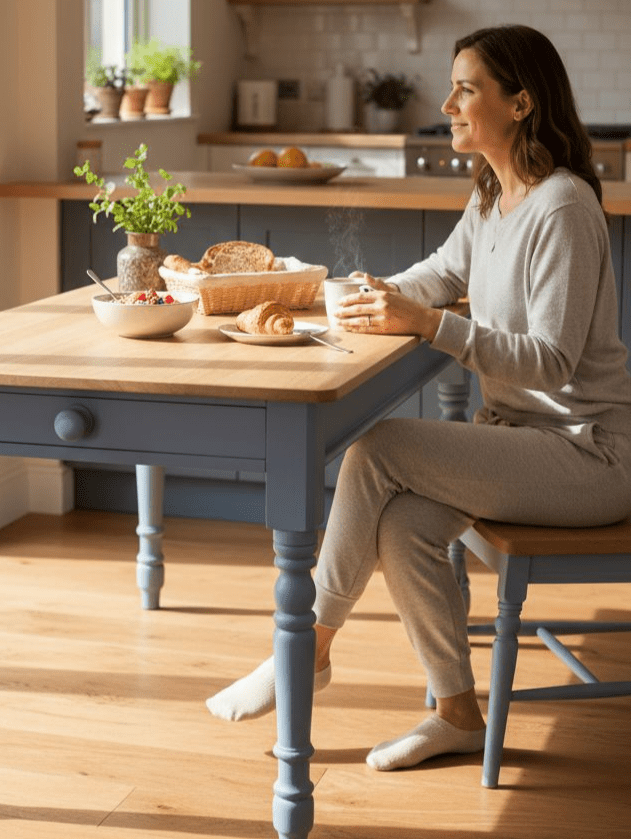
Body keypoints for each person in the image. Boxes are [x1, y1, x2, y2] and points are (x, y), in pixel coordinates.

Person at [206, 24, 631, 772]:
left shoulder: (561, 208)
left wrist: (434, 327)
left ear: (522, 102)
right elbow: (433, 276)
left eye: (467, 87)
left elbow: (553, 359)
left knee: (381, 447)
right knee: (403, 522)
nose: (449, 102)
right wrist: (355, 296)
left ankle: (306, 647)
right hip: (523, 443)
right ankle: (457, 713)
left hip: (586, 455)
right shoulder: (496, 195)